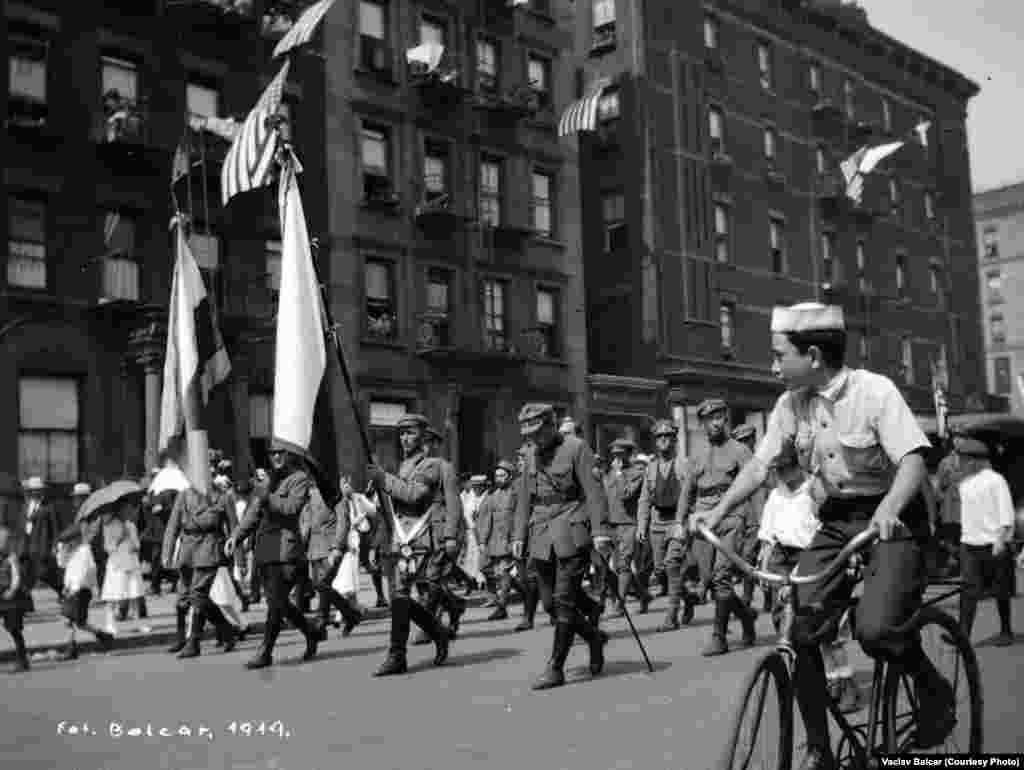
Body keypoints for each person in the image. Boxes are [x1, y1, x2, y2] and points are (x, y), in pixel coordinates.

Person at [691, 302, 955, 769]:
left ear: (812, 355)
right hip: (837, 519)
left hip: (894, 515)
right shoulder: (790, 404)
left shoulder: (874, 392)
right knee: (802, 631)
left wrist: (890, 509)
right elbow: (760, 464)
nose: (773, 367)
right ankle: (818, 747)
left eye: (779, 355)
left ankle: (933, 688)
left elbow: (913, 460)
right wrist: (718, 511)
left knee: (875, 630)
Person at [757, 438, 862, 714]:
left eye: (786, 469)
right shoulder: (775, 496)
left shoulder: (813, 492)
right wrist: (765, 558)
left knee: (825, 626)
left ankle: (846, 683)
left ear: (797, 466)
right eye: (777, 470)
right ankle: (822, 680)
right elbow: (769, 535)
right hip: (784, 557)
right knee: (789, 625)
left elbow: (827, 533)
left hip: (814, 558)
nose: (781, 475)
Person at [512, 403, 610, 690]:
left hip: (571, 528)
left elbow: (594, 493)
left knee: (565, 600)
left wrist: (601, 531)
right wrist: (519, 536)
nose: (534, 439)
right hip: (541, 533)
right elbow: (524, 500)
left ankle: (555, 668)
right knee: (549, 604)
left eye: (539, 431)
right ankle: (593, 636)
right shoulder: (530, 455)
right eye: (529, 433)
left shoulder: (577, 448)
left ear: (551, 426)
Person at [365, 415, 457, 676]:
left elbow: (414, 495)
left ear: (423, 436)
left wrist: (384, 479)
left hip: (420, 538)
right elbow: (390, 509)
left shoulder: (431, 465)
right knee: (399, 598)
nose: (405, 438)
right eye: (402, 434)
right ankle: (435, 632)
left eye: (411, 433)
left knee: (401, 596)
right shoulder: (403, 466)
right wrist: (378, 541)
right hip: (401, 539)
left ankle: (398, 655)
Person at [226, 444, 321, 670]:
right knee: (279, 604)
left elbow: (291, 508)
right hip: (266, 552)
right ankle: (311, 632)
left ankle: (265, 651)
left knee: (276, 604)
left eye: (281, 453)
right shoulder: (267, 481)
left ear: (289, 455)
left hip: (286, 552)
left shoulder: (299, 479)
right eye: (272, 453)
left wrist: (266, 496)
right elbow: (253, 513)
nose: (276, 457)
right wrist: (236, 537)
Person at [678, 399, 758, 655]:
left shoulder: (740, 451)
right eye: (709, 418)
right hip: (703, 522)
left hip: (732, 516)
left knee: (722, 577)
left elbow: (752, 486)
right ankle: (746, 616)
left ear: (725, 419)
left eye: (719, 417)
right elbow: (687, 492)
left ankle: (719, 637)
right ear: (702, 423)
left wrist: (753, 523)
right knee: (710, 579)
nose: (715, 422)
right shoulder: (697, 456)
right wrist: (680, 523)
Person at [162, 483, 240, 658]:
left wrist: (240, 561)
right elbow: (172, 526)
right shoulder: (183, 495)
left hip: (209, 547)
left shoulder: (222, 497)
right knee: (189, 596)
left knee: (198, 594)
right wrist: (166, 553)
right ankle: (227, 631)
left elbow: (235, 530)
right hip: (187, 550)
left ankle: (194, 642)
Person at [954, 435, 1015, 646]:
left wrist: (1001, 539)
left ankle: (1006, 630)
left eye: (963, 459)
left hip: (993, 543)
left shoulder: (996, 480)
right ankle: (963, 636)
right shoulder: (965, 483)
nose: (960, 463)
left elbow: (1005, 512)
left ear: (973, 460)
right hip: (969, 543)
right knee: (968, 591)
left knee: (1001, 590)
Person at [637, 419, 694, 631]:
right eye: (660, 437)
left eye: (668, 436)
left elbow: (687, 497)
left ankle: (671, 617)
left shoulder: (684, 464)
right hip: (657, 524)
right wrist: (641, 525)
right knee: (660, 570)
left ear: (674, 439)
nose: (664, 440)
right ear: (655, 441)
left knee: (672, 565)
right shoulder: (650, 468)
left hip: (677, 522)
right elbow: (644, 499)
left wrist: (682, 523)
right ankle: (688, 598)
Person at [304, 476, 363, 643]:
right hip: (314, 549)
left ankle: (347, 615)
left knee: (321, 584)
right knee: (323, 587)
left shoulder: (336, 494)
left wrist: (337, 546)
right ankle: (339, 619)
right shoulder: (311, 493)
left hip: (331, 548)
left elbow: (343, 522)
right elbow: (307, 522)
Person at [54, 511, 114, 660]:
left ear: (77, 539)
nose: (68, 544)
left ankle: (72, 648)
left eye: (70, 541)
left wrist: (74, 588)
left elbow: (86, 571)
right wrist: (61, 551)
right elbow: (62, 565)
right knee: (77, 621)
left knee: (71, 620)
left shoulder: (84, 551)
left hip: (80, 590)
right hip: (72, 590)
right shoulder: (72, 551)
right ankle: (102, 636)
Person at [603, 438, 650, 618]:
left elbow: (626, 494)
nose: (617, 458)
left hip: (629, 524)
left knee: (623, 565)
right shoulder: (611, 473)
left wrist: (619, 474)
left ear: (629, 454)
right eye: (614, 454)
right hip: (612, 524)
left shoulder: (636, 472)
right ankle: (643, 595)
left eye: (620, 454)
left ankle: (620, 605)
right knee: (618, 567)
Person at [732, 424, 770, 612]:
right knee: (743, 559)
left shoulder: (762, 463)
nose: (744, 445)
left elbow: (767, 492)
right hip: (740, 518)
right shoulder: (735, 465)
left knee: (754, 558)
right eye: (740, 442)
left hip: (759, 518)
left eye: (747, 441)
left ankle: (749, 598)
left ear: (753, 441)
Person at [476, 460, 519, 622]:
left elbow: (518, 518)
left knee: (503, 572)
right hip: (493, 541)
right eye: (497, 476)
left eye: (502, 475)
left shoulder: (515, 494)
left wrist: (516, 538)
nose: (499, 479)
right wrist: (482, 541)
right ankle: (524, 592)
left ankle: (501, 606)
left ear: (509, 477)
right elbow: (485, 519)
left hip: (508, 540)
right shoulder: (492, 496)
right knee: (484, 568)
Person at [100, 501, 146, 637]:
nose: (129, 512)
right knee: (113, 595)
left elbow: (137, 545)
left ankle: (137, 623)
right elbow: (108, 548)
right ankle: (110, 623)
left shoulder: (131, 525)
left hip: (131, 562)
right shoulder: (109, 526)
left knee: (134, 594)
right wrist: (120, 538)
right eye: (126, 510)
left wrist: (134, 544)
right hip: (117, 565)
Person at [14, 476, 61, 600]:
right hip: (25, 546)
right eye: (32, 490)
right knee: (25, 575)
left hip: (41, 545)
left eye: (38, 490)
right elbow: (21, 526)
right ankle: (23, 602)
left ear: (42, 491)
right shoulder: (26, 505)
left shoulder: (49, 506)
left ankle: (61, 590)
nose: (35, 492)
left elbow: (56, 528)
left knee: (44, 573)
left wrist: (55, 546)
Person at [0, 524, 31, 672]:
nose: (2, 542)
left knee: (14, 630)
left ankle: (22, 661)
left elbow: (16, 577)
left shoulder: (11, 557)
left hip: (11, 599)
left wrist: (12, 590)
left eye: (4, 540)